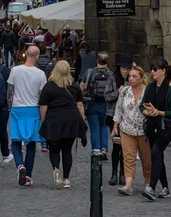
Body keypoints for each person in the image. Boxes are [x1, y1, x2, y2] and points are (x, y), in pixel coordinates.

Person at [39, 60, 87, 189]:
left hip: (54, 120)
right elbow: (80, 104)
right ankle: (66, 179)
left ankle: (56, 169)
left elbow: (43, 106)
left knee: (54, 149)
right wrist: (82, 120)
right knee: (67, 150)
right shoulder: (74, 86)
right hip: (71, 121)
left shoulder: (49, 86)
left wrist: (44, 122)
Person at [7, 45, 47, 186]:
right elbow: (42, 96)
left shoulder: (15, 70)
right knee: (31, 144)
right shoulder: (41, 74)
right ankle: (28, 175)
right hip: (33, 110)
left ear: (25, 55)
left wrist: (9, 107)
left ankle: (20, 165)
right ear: (37, 57)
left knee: (16, 141)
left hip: (18, 109)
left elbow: (10, 91)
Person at [140, 57, 171, 201]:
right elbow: (142, 105)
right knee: (158, 155)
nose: (152, 72)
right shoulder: (150, 87)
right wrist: (147, 112)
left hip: (167, 127)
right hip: (152, 126)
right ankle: (165, 188)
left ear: (163, 71)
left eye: (155, 69)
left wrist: (158, 112)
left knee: (155, 152)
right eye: (152, 69)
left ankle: (151, 188)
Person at [112, 66, 151, 196]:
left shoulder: (148, 91)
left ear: (141, 78)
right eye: (130, 76)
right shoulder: (124, 91)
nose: (131, 79)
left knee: (146, 159)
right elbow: (118, 108)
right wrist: (115, 126)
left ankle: (148, 184)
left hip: (144, 130)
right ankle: (128, 185)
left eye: (135, 77)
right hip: (126, 128)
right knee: (128, 157)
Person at [104, 55, 132, 186]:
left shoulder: (133, 79)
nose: (125, 71)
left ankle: (123, 173)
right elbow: (107, 96)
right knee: (117, 146)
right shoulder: (112, 79)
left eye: (127, 68)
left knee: (125, 147)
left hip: (128, 117)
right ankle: (114, 173)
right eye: (123, 68)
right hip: (114, 116)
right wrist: (117, 92)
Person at [81, 51, 112, 157]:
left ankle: (96, 149)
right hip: (106, 104)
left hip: (92, 103)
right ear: (108, 61)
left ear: (96, 61)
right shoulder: (111, 74)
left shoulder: (90, 72)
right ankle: (104, 148)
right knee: (104, 126)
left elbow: (81, 87)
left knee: (94, 127)